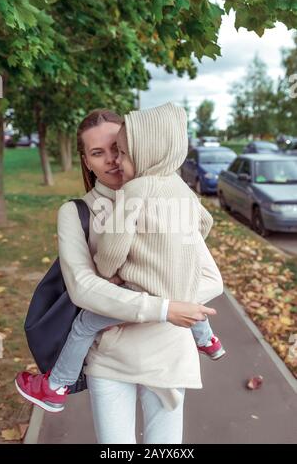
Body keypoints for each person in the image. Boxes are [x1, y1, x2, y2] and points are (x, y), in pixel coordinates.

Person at [15, 108, 222, 444]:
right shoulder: (76, 213)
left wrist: (133, 300)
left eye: (118, 148)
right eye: (98, 153)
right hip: (109, 358)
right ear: (86, 161)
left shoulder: (168, 200)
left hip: (169, 353)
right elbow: (84, 289)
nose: (112, 160)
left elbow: (211, 279)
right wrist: (166, 307)